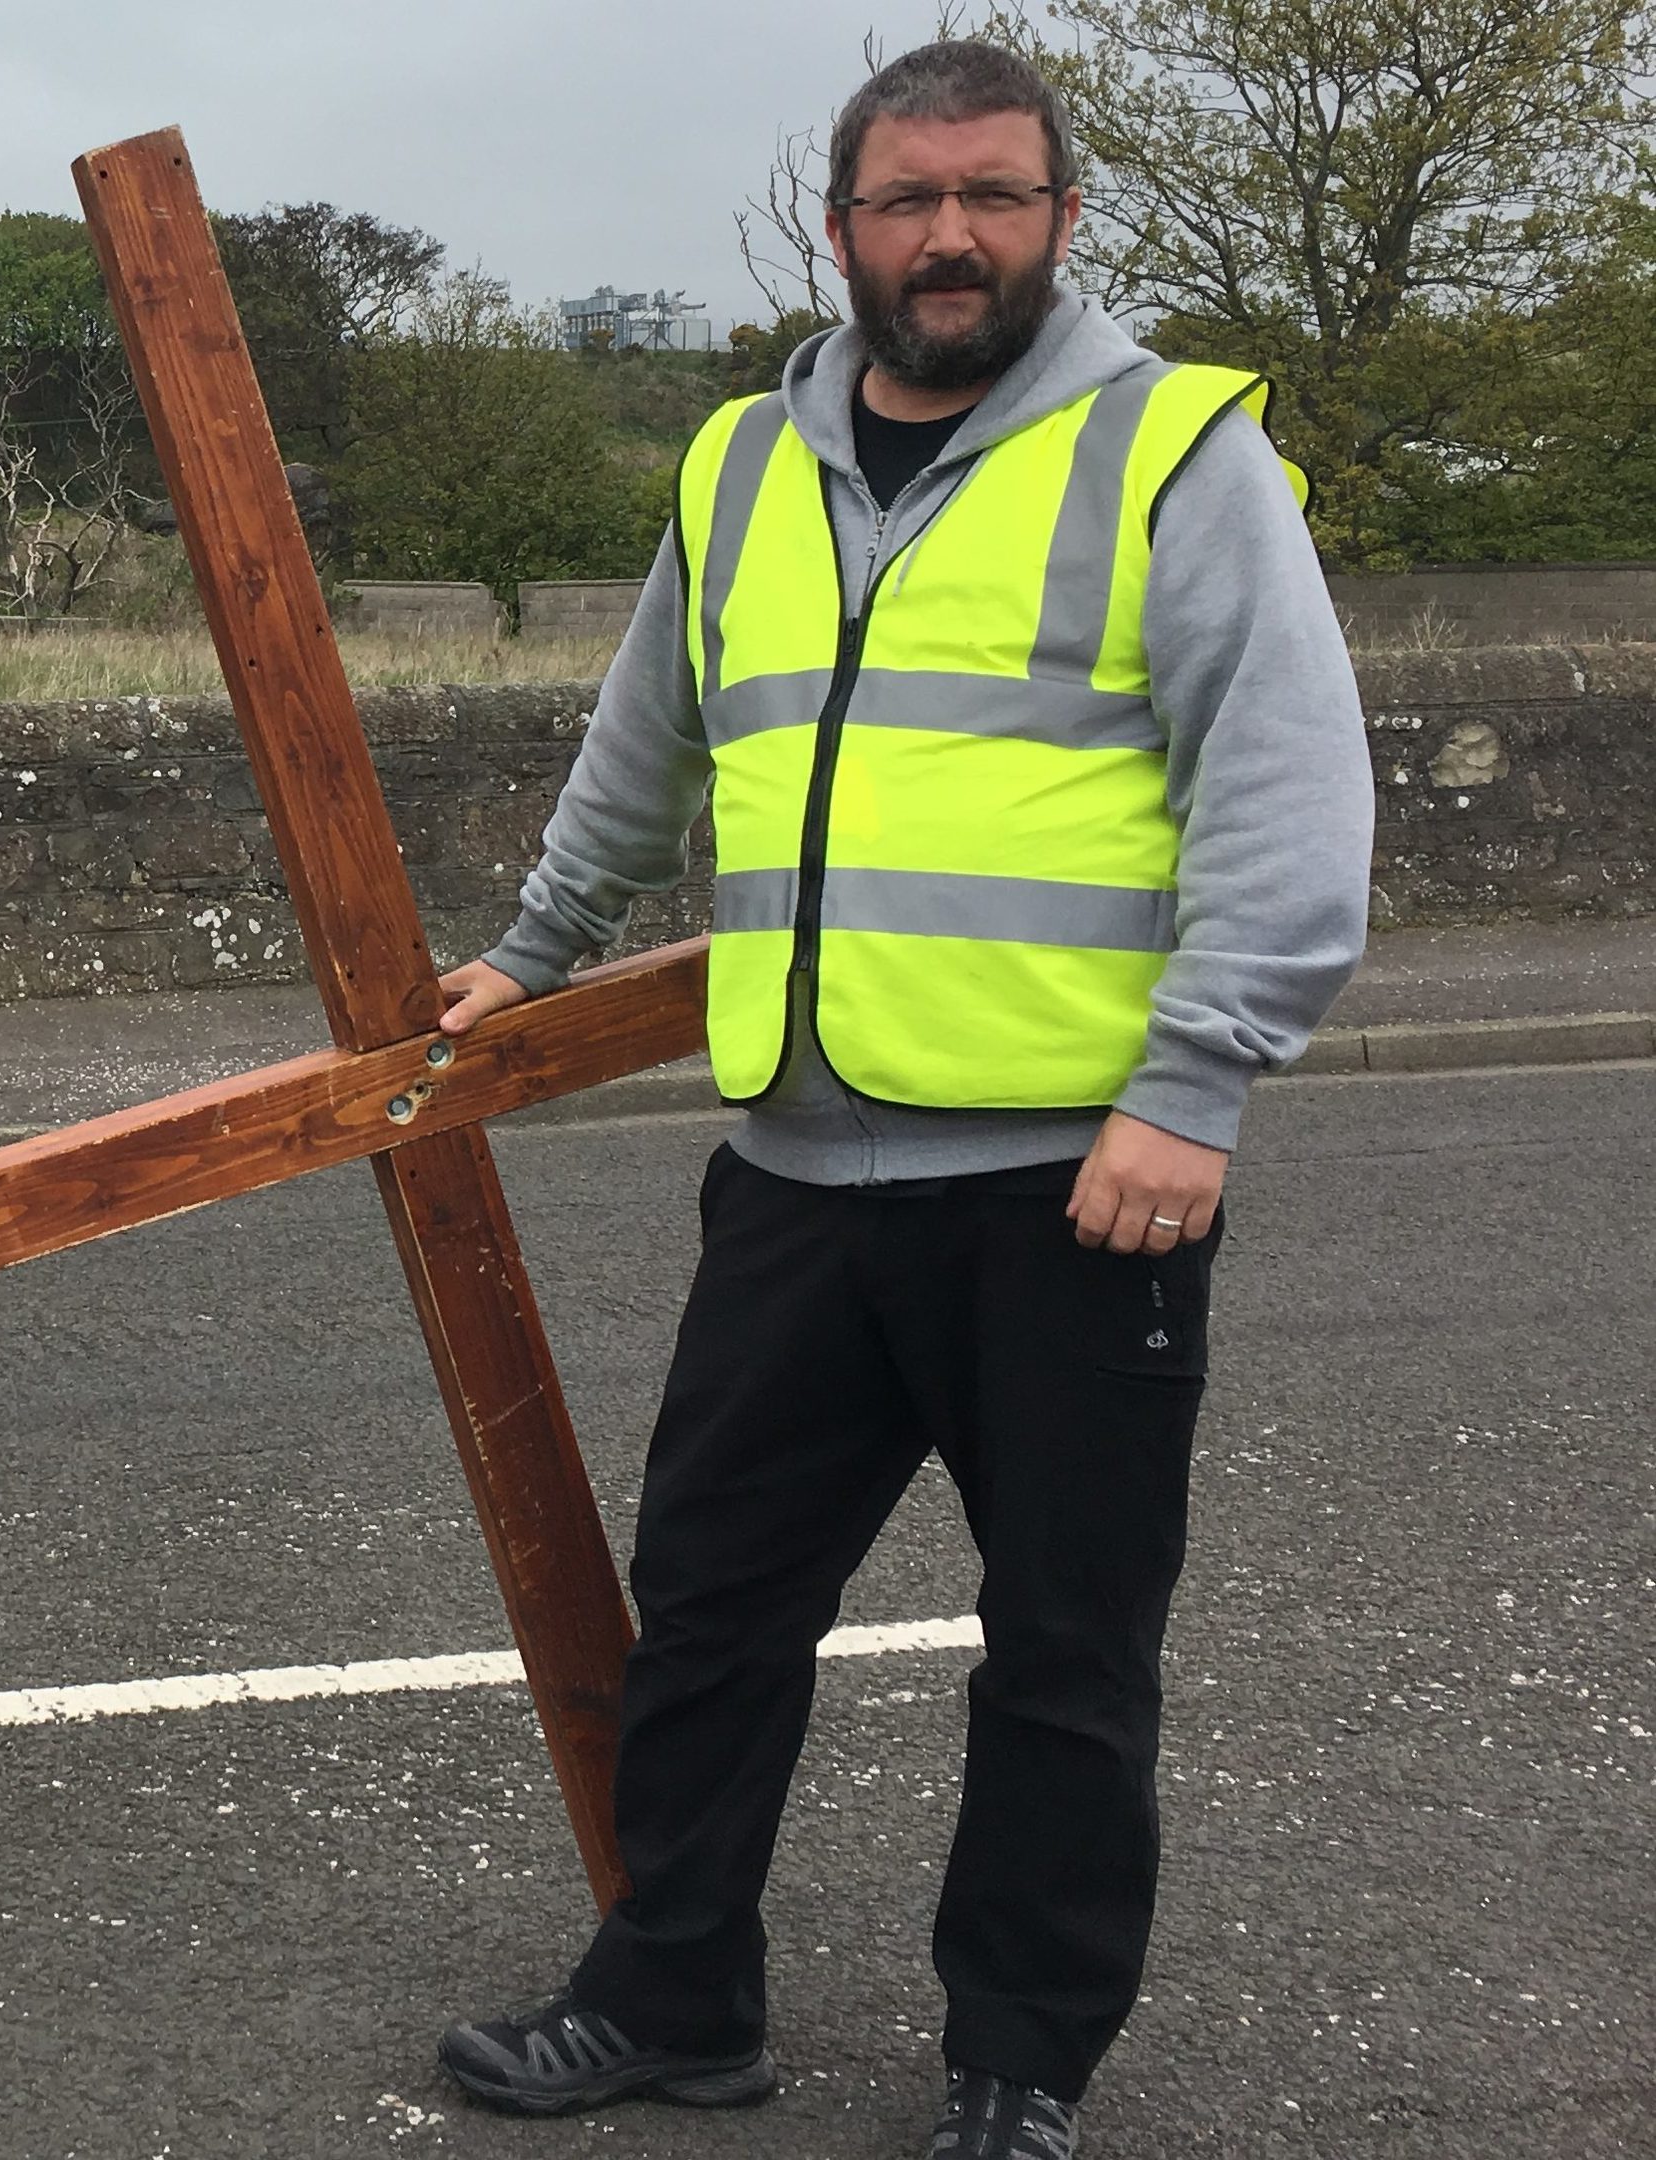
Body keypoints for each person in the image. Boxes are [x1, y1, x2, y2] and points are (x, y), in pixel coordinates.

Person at [425, 39, 1373, 2160]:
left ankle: (1016, 2068)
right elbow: (648, 739)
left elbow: (1290, 805)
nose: (950, 234)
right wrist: (533, 951)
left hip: (1074, 1182)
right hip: (790, 1168)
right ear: (837, 227)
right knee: (713, 1614)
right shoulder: (739, 465)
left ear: (1056, 219)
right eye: (907, 198)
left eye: (995, 195)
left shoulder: (1169, 454)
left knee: (1061, 1653)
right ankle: (672, 1997)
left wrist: (1194, 1088)